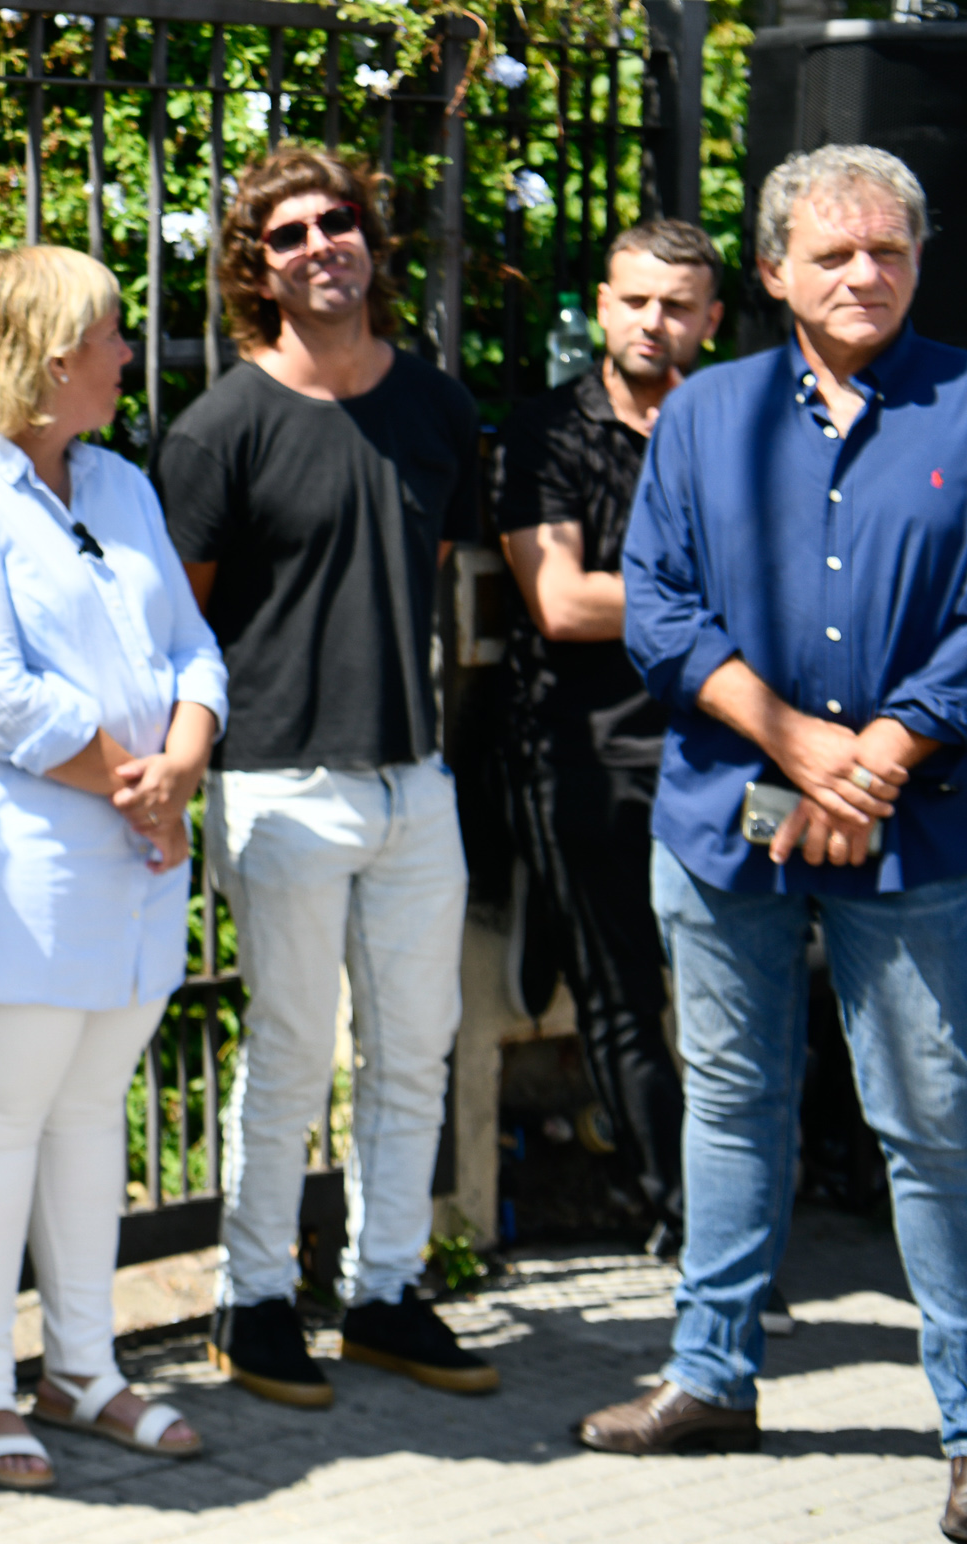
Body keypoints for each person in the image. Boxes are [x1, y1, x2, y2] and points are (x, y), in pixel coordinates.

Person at [588, 146, 967, 1544]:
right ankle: (710, 1380)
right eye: (834, 254)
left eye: (890, 249)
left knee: (930, 1124)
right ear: (773, 273)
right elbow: (663, 609)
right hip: (725, 822)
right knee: (733, 1103)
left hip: (913, 824)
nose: (865, 273)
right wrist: (801, 745)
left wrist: (880, 753)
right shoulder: (706, 415)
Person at [153, 144, 497, 1407]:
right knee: (294, 1049)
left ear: (370, 238)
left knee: (417, 1049)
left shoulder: (439, 409)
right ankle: (252, 1302)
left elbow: (435, 571)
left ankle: (387, 1292)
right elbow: (182, 630)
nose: (318, 246)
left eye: (336, 221)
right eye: (287, 233)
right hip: (279, 779)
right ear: (259, 269)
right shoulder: (217, 430)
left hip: (416, 778)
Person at [0, 246, 225, 1491]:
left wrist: (180, 758)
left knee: (91, 1113)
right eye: (110, 335)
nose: (128, 355)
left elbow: (195, 646)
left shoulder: (123, 483)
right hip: (11, 852)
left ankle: (83, 1365)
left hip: (135, 844)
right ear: (45, 353)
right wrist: (137, 782)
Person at [497, 220, 726, 1258]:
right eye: (636, 299)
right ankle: (683, 1215)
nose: (654, 321)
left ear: (712, 320)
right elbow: (560, 599)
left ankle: (748, 1201)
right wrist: (713, 607)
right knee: (624, 993)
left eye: (677, 304)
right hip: (588, 753)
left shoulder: (736, 426)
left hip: (734, 751)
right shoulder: (547, 429)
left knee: (743, 986)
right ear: (601, 303)